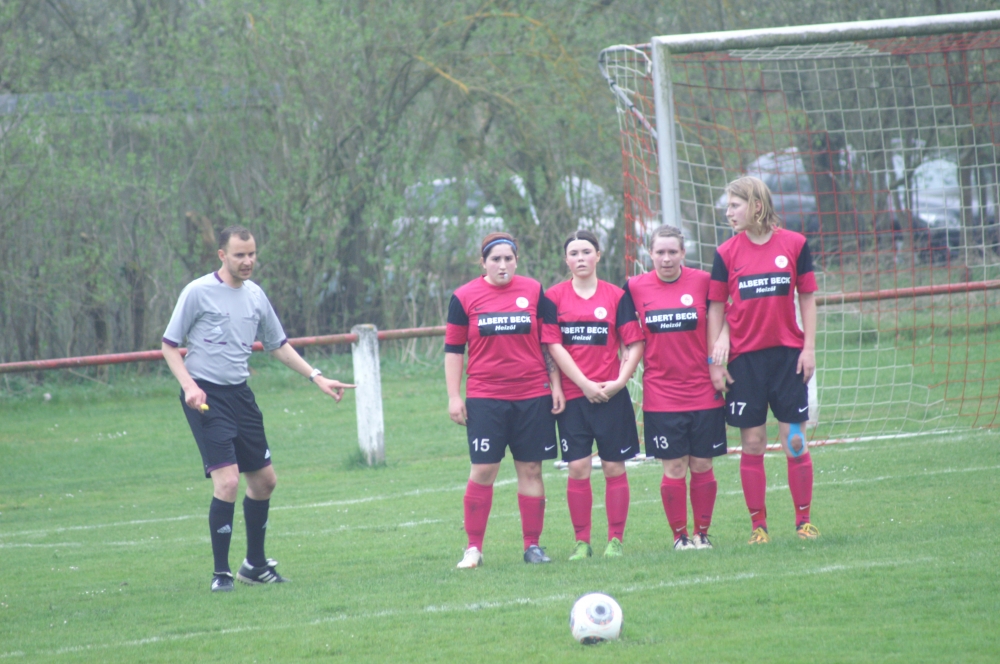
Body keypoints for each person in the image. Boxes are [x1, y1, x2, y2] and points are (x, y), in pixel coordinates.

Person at [161, 225, 355, 592]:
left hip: (240, 396)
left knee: (265, 481)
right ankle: (221, 574)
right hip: (206, 398)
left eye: (252, 254)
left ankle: (254, 565)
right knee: (229, 481)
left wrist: (317, 376)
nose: (247, 261)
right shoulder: (198, 292)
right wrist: (189, 385)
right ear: (222, 255)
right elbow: (169, 346)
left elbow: (277, 344)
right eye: (239, 255)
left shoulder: (255, 296)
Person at [707, 176, 820, 544]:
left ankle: (804, 522)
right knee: (753, 442)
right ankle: (759, 528)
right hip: (745, 363)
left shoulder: (795, 244)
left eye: (734, 205)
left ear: (756, 205)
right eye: (727, 207)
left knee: (794, 442)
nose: (728, 213)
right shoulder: (726, 253)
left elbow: (807, 297)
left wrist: (809, 348)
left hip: (788, 357)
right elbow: (716, 308)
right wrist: (716, 361)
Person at [445, 232, 565, 568]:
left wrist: (555, 384)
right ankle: (473, 549)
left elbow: (547, 343)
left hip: (533, 396)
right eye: (495, 259)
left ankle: (533, 547)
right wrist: (455, 396)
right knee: (483, 470)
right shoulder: (464, 296)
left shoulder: (533, 291)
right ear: (482, 263)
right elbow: (454, 350)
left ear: (516, 260)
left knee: (531, 469)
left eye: (508, 258)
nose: (502, 265)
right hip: (486, 398)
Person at [619, 225, 729, 551]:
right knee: (675, 466)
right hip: (661, 393)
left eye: (672, 252)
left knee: (703, 464)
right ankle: (680, 537)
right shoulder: (634, 288)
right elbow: (625, 335)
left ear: (683, 253)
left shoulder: (703, 282)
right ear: (649, 254)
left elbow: (726, 319)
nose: (666, 259)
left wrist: (719, 358)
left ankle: (703, 534)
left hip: (703, 388)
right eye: (660, 252)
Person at [542, 230, 644, 560]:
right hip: (575, 398)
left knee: (615, 468)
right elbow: (553, 346)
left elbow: (633, 343)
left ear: (598, 255)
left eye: (587, 251)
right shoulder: (553, 297)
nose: (581, 258)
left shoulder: (616, 296)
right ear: (566, 260)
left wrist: (618, 383)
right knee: (578, 469)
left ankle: (615, 540)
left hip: (611, 395)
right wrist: (583, 384)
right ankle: (581, 542)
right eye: (574, 253)